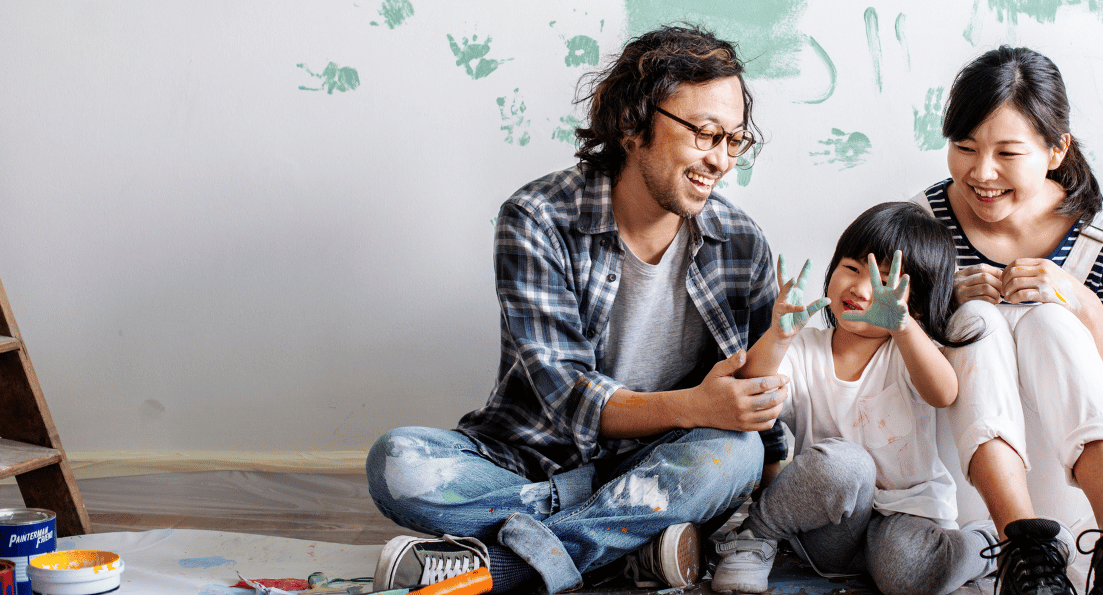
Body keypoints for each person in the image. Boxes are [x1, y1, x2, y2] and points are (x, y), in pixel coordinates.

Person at [363, 25, 791, 595]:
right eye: (706, 134)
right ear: (634, 123)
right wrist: (692, 405)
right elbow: (565, 393)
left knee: (733, 453)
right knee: (398, 461)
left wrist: (759, 463)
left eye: (735, 140)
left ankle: (504, 567)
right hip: (535, 461)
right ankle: (626, 545)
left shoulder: (740, 243)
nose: (721, 161)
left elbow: (752, 402)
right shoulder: (537, 218)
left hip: (665, 461)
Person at [915, 46, 1103, 595]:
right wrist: (936, 307)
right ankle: (1021, 552)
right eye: (964, 148)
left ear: (1056, 150)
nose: (982, 173)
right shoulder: (921, 224)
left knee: (1051, 321)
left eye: (1008, 152)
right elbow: (874, 370)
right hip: (954, 493)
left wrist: (1080, 302)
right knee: (975, 316)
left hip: (1072, 495)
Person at [708, 202, 996, 595]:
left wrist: (905, 328)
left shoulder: (907, 350)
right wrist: (778, 335)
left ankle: (990, 545)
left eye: (881, 283)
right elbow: (754, 389)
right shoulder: (807, 348)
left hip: (908, 516)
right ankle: (754, 536)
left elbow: (943, 393)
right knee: (845, 464)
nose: (860, 289)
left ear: (913, 299)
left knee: (913, 577)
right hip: (832, 527)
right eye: (852, 268)